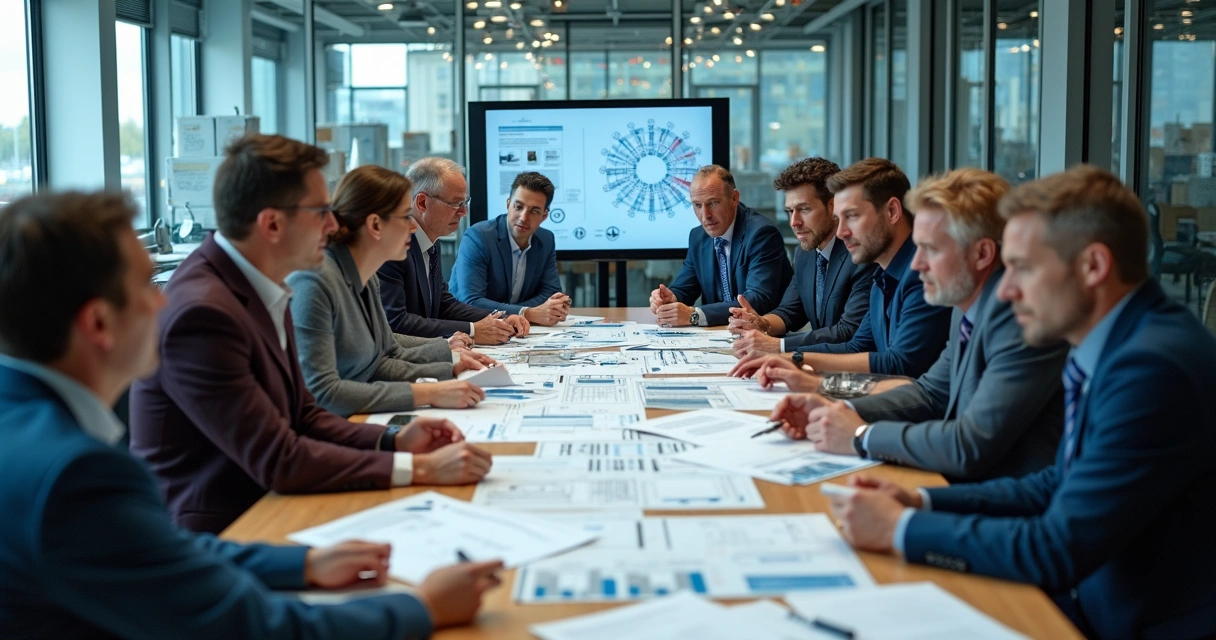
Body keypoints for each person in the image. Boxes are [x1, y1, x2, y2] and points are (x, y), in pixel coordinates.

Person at [0, 190, 503, 639]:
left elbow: (159, 548)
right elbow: (247, 625)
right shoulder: (74, 475)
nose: (163, 300)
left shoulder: (30, 427)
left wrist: (301, 563)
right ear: (98, 323)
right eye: (147, 286)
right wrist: (420, 607)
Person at [821, 165, 1216, 640]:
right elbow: (1054, 483)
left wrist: (902, 529)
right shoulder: (1121, 342)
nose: (1005, 290)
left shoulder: (1151, 368)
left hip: (1126, 622)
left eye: (1023, 269)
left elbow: (1057, 548)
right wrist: (922, 501)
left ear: (1092, 266)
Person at [130, 135, 492, 535]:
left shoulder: (262, 284)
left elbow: (304, 414)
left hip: (274, 498)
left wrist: (395, 442)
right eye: (320, 211)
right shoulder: (203, 313)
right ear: (271, 224)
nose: (335, 224)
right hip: (228, 526)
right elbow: (279, 457)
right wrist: (417, 466)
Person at [768, 168, 1066, 482]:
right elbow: (928, 393)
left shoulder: (1018, 320)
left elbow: (968, 445)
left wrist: (860, 435)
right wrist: (838, 408)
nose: (916, 263)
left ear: (982, 254)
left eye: (931, 249)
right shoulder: (965, 307)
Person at [287, 165, 495, 417]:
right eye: (405, 216)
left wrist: (450, 367)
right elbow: (323, 393)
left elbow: (385, 355)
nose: (414, 227)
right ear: (375, 225)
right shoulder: (313, 282)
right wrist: (429, 392)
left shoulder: (366, 275)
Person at [731, 158, 951, 381]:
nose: (841, 232)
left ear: (892, 211)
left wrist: (789, 357)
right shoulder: (882, 273)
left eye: (852, 216)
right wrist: (789, 358)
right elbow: (858, 346)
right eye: (840, 218)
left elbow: (900, 366)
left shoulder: (924, 275)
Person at [729, 157, 874, 358]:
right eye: (790, 211)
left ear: (833, 207)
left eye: (804, 209)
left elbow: (848, 332)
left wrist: (776, 346)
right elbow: (791, 311)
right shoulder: (805, 252)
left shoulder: (860, 255)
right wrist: (762, 324)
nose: (794, 222)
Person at [378, 157, 529, 344]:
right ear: (422, 203)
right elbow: (396, 322)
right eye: (456, 203)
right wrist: (473, 330)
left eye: (465, 202)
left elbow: (443, 304)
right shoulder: (394, 246)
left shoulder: (431, 240)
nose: (463, 211)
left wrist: (499, 318)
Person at [649, 164, 793, 327]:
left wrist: (695, 315)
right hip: (714, 335)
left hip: (759, 335)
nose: (705, 216)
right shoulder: (698, 236)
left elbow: (756, 300)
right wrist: (669, 299)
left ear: (734, 198)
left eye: (713, 203)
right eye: (697, 205)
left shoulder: (762, 234)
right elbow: (685, 288)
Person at [451, 171, 571, 326]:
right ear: (508, 204)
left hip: (518, 331)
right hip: (469, 328)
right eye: (518, 206)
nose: (523, 217)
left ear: (544, 216)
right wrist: (527, 312)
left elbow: (550, 293)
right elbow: (470, 300)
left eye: (534, 211)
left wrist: (536, 311)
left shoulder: (546, 240)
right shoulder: (479, 237)